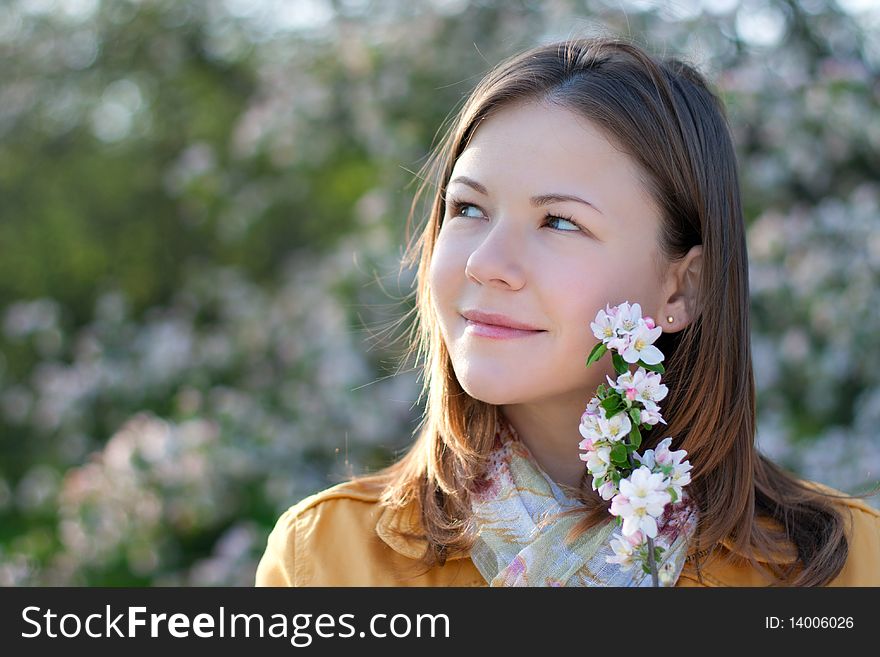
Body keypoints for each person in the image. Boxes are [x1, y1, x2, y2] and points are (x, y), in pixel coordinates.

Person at [255, 36, 880, 587]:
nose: (486, 262)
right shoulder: (329, 562)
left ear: (682, 289)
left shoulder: (845, 571)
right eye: (468, 209)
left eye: (559, 221)